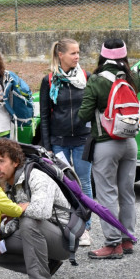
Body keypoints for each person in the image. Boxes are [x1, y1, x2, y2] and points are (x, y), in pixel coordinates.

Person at [78, 39, 140, 259]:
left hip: (106, 143)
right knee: (127, 192)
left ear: (102, 55)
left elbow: (84, 114)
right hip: (130, 142)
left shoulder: (96, 80)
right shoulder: (131, 77)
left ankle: (112, 244)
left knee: (107, 195)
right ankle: (127, 239)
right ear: (123, 55)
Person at [0, 139, 72, 279]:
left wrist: (20, 209)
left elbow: (41, 211)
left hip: (64, 240)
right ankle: (46, 265)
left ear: (16, 162)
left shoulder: (37, 176)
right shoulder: (6, 185)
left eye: (1, 161)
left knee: (29, 222)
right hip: (43, 237)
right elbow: (13, 220)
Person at [40, 38, 93, 246]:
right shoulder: (49, 80)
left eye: (78, 52)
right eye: (73, 53)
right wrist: (47, 146)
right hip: (59, 141)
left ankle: (85, 229)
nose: (77, 56)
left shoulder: (87, 77)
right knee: (63, 185)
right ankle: (66, 225)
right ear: (60, 55)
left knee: (84, 183)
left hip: (82, 139)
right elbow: (44, 116)